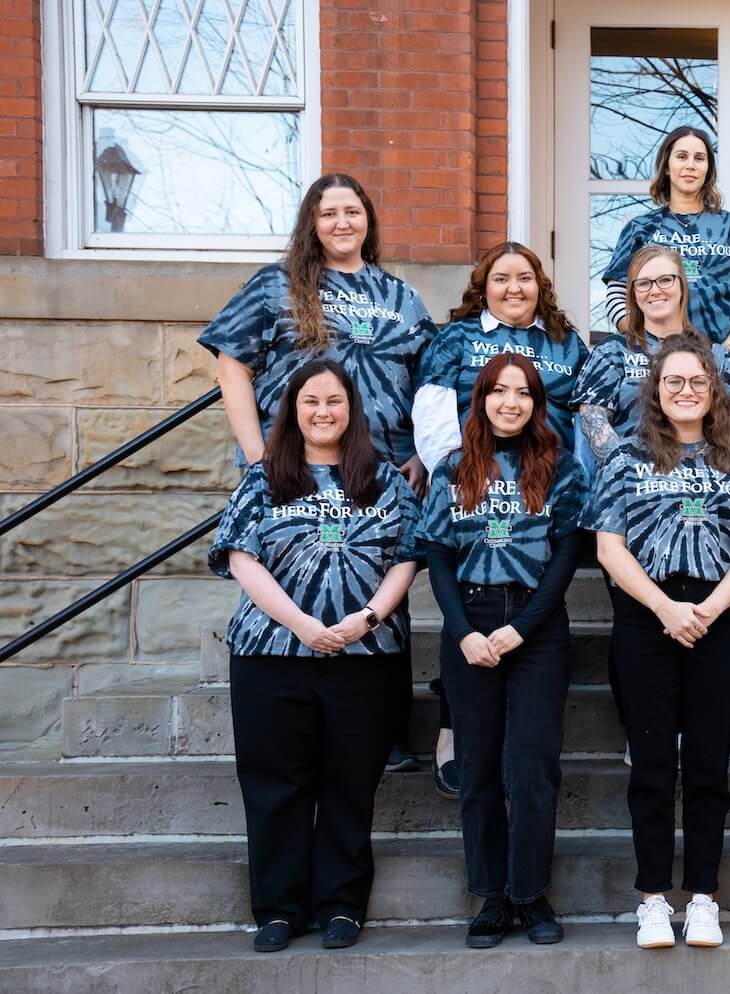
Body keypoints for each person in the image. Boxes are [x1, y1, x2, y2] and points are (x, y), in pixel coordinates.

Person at [199, 172, 436, 774]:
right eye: (328, 213)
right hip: (294, 466)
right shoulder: (276, 286)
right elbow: (232, 366)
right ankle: (297, 723)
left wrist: (423, 452)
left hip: (379, 472)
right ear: (311, 223)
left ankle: (386, 734)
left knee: (379, 587)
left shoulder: (400, 296)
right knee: (301, 579)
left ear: (368, 221)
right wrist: (259, 455)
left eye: (352, 211)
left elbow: (430, 380)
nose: (340, 223)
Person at [209, 358, 420, 954]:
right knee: (276, 785)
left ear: (352, 411)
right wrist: (303, 624)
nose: (323, 411)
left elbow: (406, 554)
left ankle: (342, 906)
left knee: (349, 784)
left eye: (334, 401)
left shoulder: (384, 478)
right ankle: (278, 909)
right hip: (271, 655)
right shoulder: (264, 477)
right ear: (293, 411)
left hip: (366, 655)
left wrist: (367, 618)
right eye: (311, 402)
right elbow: (241, 559)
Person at [584, 334, 730, 950]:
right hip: (649, 617)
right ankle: (651, 899)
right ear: (655, 390)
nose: (686, 391)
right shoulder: (626, 456)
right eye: (673, 382)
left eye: (697, 381)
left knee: (707, 764)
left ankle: (702, 898)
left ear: (713, 390)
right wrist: (666, 608)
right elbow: (608, 546)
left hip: (716, 619)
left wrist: (711, 608)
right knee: (650, 764)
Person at [418, 354, 586, 947]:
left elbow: (567, 554)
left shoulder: (560, 467)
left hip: (537, 625)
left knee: (533, 766)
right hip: (470, 619)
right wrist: (463, 630)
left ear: (537, 404)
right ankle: (490, 896)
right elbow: (436, 553)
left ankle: (530, 893)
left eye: (523, 393)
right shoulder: (453, 469)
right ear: (481, 398)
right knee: (480, 766)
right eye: (499, 391)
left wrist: (525, 627)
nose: (510, 402)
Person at [412, 241, 588, 798]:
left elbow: (587, 417)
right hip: (475, 492)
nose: (515, 288)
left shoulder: (565, 342)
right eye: (501, 278)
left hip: (544, 495)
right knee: (467, 602)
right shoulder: (456, 340)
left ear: (542, 284)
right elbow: (435, 413)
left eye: (526, 278)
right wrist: (462, 481)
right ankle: (451, 732)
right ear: (482, 286)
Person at [575, 245, 730, 463]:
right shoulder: (612, 352)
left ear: (682, 285)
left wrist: (715, 475)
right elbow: (591, 420)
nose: (655, 290)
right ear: (633, 293)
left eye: (665, 280)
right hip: (632, 485)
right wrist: (631, 470)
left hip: (703, 484)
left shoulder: (716, 356)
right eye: (643, 283)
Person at [603, 126, 730, 350]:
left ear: (708, 169)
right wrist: (649, 347)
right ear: (666, 166)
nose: (690, 165)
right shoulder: (640, 229)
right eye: (681, 156)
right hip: (655, 363)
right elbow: (616, 296)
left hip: (720, 361)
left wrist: (727, 350)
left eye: (699, 158)